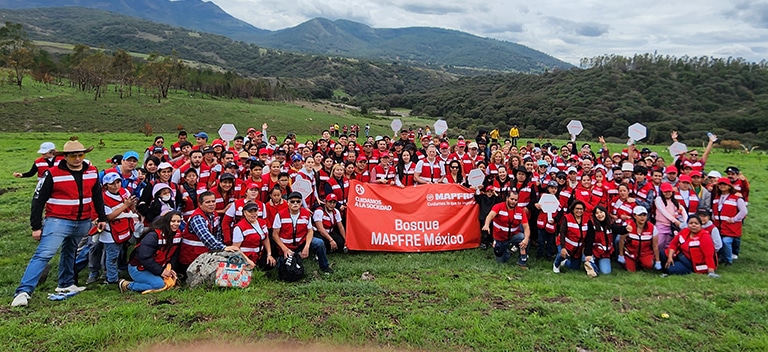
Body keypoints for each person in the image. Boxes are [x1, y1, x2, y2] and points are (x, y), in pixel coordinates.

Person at [13, 139, 107, 307]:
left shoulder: (92, 171)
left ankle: (65, 284)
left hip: (83, 220)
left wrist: (102, 217)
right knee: (44, 254)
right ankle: (23, 292)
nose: (77, 159)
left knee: (70, 252)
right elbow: (38, 200)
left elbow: (97, 196)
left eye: (80, 155)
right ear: (65, 157)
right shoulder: (52, 173)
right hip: (58, 220)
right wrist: (36, 226)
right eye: (73, 156)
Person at [121, 211, 183, 293]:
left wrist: (171, 268)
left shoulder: (178, 235)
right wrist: (161, 271)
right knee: (159, 284)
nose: (176, 224)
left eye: (178, 221)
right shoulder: (153, 236)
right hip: (138, 267)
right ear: (167, 221)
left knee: (170, 282)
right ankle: (127, 285)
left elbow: (174, 255)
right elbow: (144, 257)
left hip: (156, 267)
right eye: (173, 221)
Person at [178, 192, 239, 272]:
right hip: (190, 258)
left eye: (213, 201)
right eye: (207, 202)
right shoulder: (197, 218)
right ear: (200, 204)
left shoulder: (214, 214)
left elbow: (218, 235)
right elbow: (206, 237)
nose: (211, 204)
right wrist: (223, 248)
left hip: (203, 256)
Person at [272, 192, 332, 273]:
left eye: (298, 201)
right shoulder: (280, 215)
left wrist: (307, 246)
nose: (295, 203)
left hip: (301, 243)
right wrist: (285, 249)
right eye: (292, 201)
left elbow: (310, 231)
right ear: (288, 202)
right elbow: (275, 235)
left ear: (301, 203)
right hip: (286, 246)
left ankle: (325, 267)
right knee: (285, 269)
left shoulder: (306, 214)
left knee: (319, 243)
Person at [101, 172, 138, 285]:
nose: (116, 185)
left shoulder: (124, 191)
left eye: (118, 182)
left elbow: (132, 209)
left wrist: (132, 205)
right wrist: (125, 205)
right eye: (112, 183)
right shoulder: (103, 198)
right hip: (110, 231)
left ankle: (116, 271)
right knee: (112, 255)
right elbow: (109, 216)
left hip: (124, 228)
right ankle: (111, 279)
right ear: (106, 185)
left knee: (120, 252)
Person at [482, 191, 530, 268]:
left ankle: (522, 261)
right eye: (512, 199)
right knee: (501, 260)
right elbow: (490, 216)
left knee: (523, 237)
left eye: (516, 200)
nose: (513, 202)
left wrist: (526, 239)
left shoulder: (520, 211)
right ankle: (508, 252)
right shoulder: (498, 206)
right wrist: (486, 225)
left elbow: (526, 227)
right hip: (499, 238)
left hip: (513, 236)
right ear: (507, 198)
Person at [712, 177, 747, 265]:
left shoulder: (736, 198)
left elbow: (744, 211)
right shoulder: (716, 197)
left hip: (731, 226)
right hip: (719, 226)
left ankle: (728, 260)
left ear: (729, 186)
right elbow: (714, 210)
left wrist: (734, 219)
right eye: (720, 184)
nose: (722, 186)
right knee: (718, 242)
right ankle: (721, 258)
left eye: (724, 184)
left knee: (726, 242)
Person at [231, 202, 275, 270]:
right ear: (245, 213)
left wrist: (269, 254)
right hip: (246, 257)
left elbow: (266, 238)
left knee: (271, 264)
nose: (253, 214)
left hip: (259, 255)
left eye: (255, 211)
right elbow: (235, 248)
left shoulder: (262, 223)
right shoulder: (239, 227)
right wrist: (247, 261)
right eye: (250, 212)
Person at [618, 206, 661, 273]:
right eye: (640, 215)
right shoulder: (627, 225)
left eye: (644, 215)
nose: (642, 217)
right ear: (634, 216)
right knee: (631, 271)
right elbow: (621, 241)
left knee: (649, 265)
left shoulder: (652, 228)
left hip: (645, 253)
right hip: (630, 253)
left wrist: (658, 261)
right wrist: (621, 255)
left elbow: (655, 246)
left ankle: (642, 263)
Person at [583, 206, 622, 277]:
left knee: (606, 272)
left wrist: (626, 229)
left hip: (604, 253)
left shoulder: (609, 223)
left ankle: (596, 264)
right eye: (597, 213)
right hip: (593, 252)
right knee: (579, 264)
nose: (599, 215)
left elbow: (617, 229)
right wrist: (588, 254)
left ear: (605, 213)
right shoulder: (591, 223)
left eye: (601, 212)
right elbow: (589, 239)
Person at [553, 201, 589, 273]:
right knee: (562, 254)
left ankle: (565, 262)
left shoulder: (587, 220)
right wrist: (563, 247)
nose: (579, 211)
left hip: (577, 248)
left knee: (575, 269)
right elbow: (562, 233)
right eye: (577, 209)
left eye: (581, 209)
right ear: (573, 209)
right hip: (565, 244)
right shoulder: (567, 218)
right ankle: (556, 264)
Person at [654, 182, 687, 254]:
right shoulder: (658, 199)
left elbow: (682, 210)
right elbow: (663, 211)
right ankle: (657, 258)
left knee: (668, 244)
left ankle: (665, 258)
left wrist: (684, 222)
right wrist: (675, 221)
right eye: (665, 191)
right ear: (662, 192)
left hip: (671, 227)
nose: (668, 193)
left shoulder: (674, 201)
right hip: (661, 225)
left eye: (669, 191)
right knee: (659, 243)